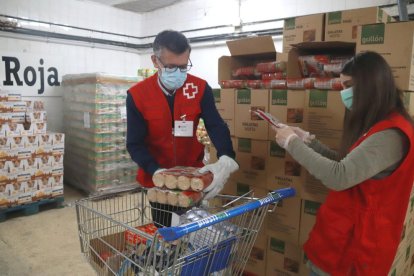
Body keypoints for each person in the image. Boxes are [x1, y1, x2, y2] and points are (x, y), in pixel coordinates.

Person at [271, 51, 414, 275]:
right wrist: (307, 141)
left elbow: (339, 176)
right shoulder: (377, 124)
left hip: (354, 252)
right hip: (339, 241)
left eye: (348, 85)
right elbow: (346, 163)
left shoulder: (391, 135)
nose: (344, 93)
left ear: (369, 84)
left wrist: (291, 143)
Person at [126, 30, 238, 227]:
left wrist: (226, 155)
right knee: (166, 229)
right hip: (158, 179)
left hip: (192, 175)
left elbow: (215, 125)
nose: (178, 73)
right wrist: (156, 170)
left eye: (183, 67)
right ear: (155, 61)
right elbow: (134, 144)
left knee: (196, 230)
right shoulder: (138, 95)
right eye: (170, 67)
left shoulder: (199, 88)